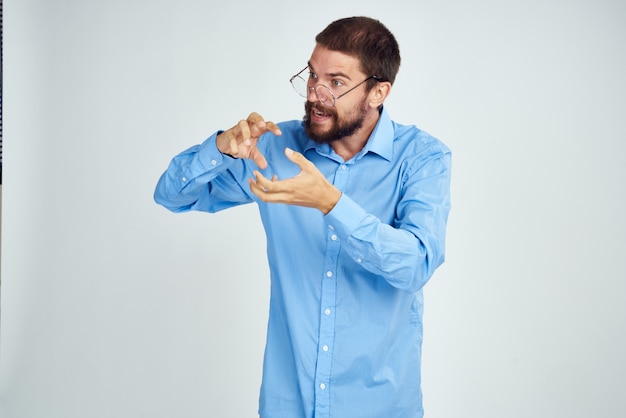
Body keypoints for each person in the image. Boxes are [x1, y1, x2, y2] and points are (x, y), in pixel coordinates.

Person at [154, 16, 451, 418]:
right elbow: (172, 196)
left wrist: (331, 203)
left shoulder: (422, 158)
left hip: (379, 407)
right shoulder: (276, 148)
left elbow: (415, 265)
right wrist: (221, 148)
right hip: (287, 405)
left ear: (378, 92)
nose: (315, 94)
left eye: (336, 82)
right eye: (312, 76)